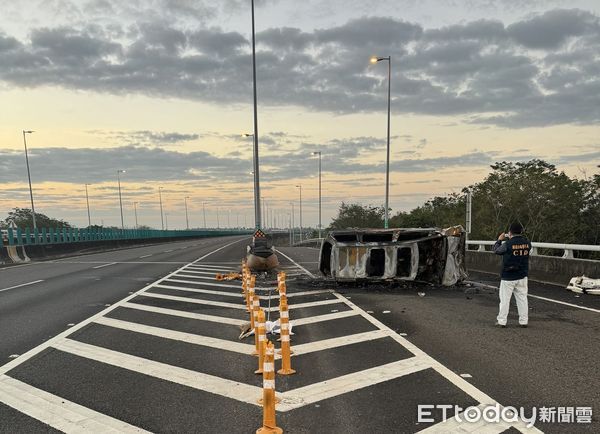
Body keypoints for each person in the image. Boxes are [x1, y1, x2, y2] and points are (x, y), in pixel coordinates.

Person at [493, 222, 532, 328]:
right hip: (522, 275)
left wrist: (499, 240)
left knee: (505, 300)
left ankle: (502, 321)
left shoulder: (508, 244)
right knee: (522, 299)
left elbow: (496, 250)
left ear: (510, 232)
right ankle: (524, 321)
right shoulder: (527, 243)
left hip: (508, 276)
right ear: (521, 231)